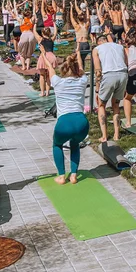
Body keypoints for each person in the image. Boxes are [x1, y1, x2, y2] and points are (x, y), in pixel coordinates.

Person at [43, 52, 89, 185]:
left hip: (64, 123)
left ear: (63, 69)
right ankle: (73, 175)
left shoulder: (57, 82)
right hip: (81, 122)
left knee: (57, 145)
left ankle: (62, 176)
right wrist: (78, 54)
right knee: (75, 144)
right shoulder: (82, 81)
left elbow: (50, 68)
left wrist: (43, 54)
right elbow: (81, 68)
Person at [92, 34, 128, 142]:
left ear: (99, 42)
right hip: (123, 74)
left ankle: (104, 135)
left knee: (101, 104)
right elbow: (126, 62)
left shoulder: (96, 49)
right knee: (116, 104)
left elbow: (98, 71)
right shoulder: (119, 46)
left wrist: (97, 89)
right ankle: (117, 135)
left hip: (109, 75)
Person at [34, 25, 57, 97]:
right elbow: (55, 32)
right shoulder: (52, 39)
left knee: (42, 75)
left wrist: (35, 24)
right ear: (50, 33)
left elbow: (34, 31)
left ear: (42, 33)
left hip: (44, 56)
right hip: (52, 56)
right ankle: (47, 92)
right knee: (48, 75)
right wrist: (54, 23)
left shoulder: (40, 39)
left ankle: (42, 92)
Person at [70, 2, 91, 67]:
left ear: (78, 19)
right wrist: (87, 8)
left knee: (77, 59)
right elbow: (88, 17)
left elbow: (71, 17)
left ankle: (78, 71)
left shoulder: (76, 26)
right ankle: (82, 71)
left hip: (79, 44)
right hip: (86, 44)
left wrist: (71, 7)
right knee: (82, 59)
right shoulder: (86, 25)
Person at [18, 7, 37, 71]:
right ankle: (28, 67)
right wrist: (34, 3)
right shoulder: (32, 19)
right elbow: (34, 13)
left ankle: (23, 67)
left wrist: (15, 5)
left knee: (22, 54)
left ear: (23, 15)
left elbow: (15, 13)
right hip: (31, 35)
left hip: (24, 35)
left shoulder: (21, 20)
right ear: (29, 14)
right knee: (29, 54)